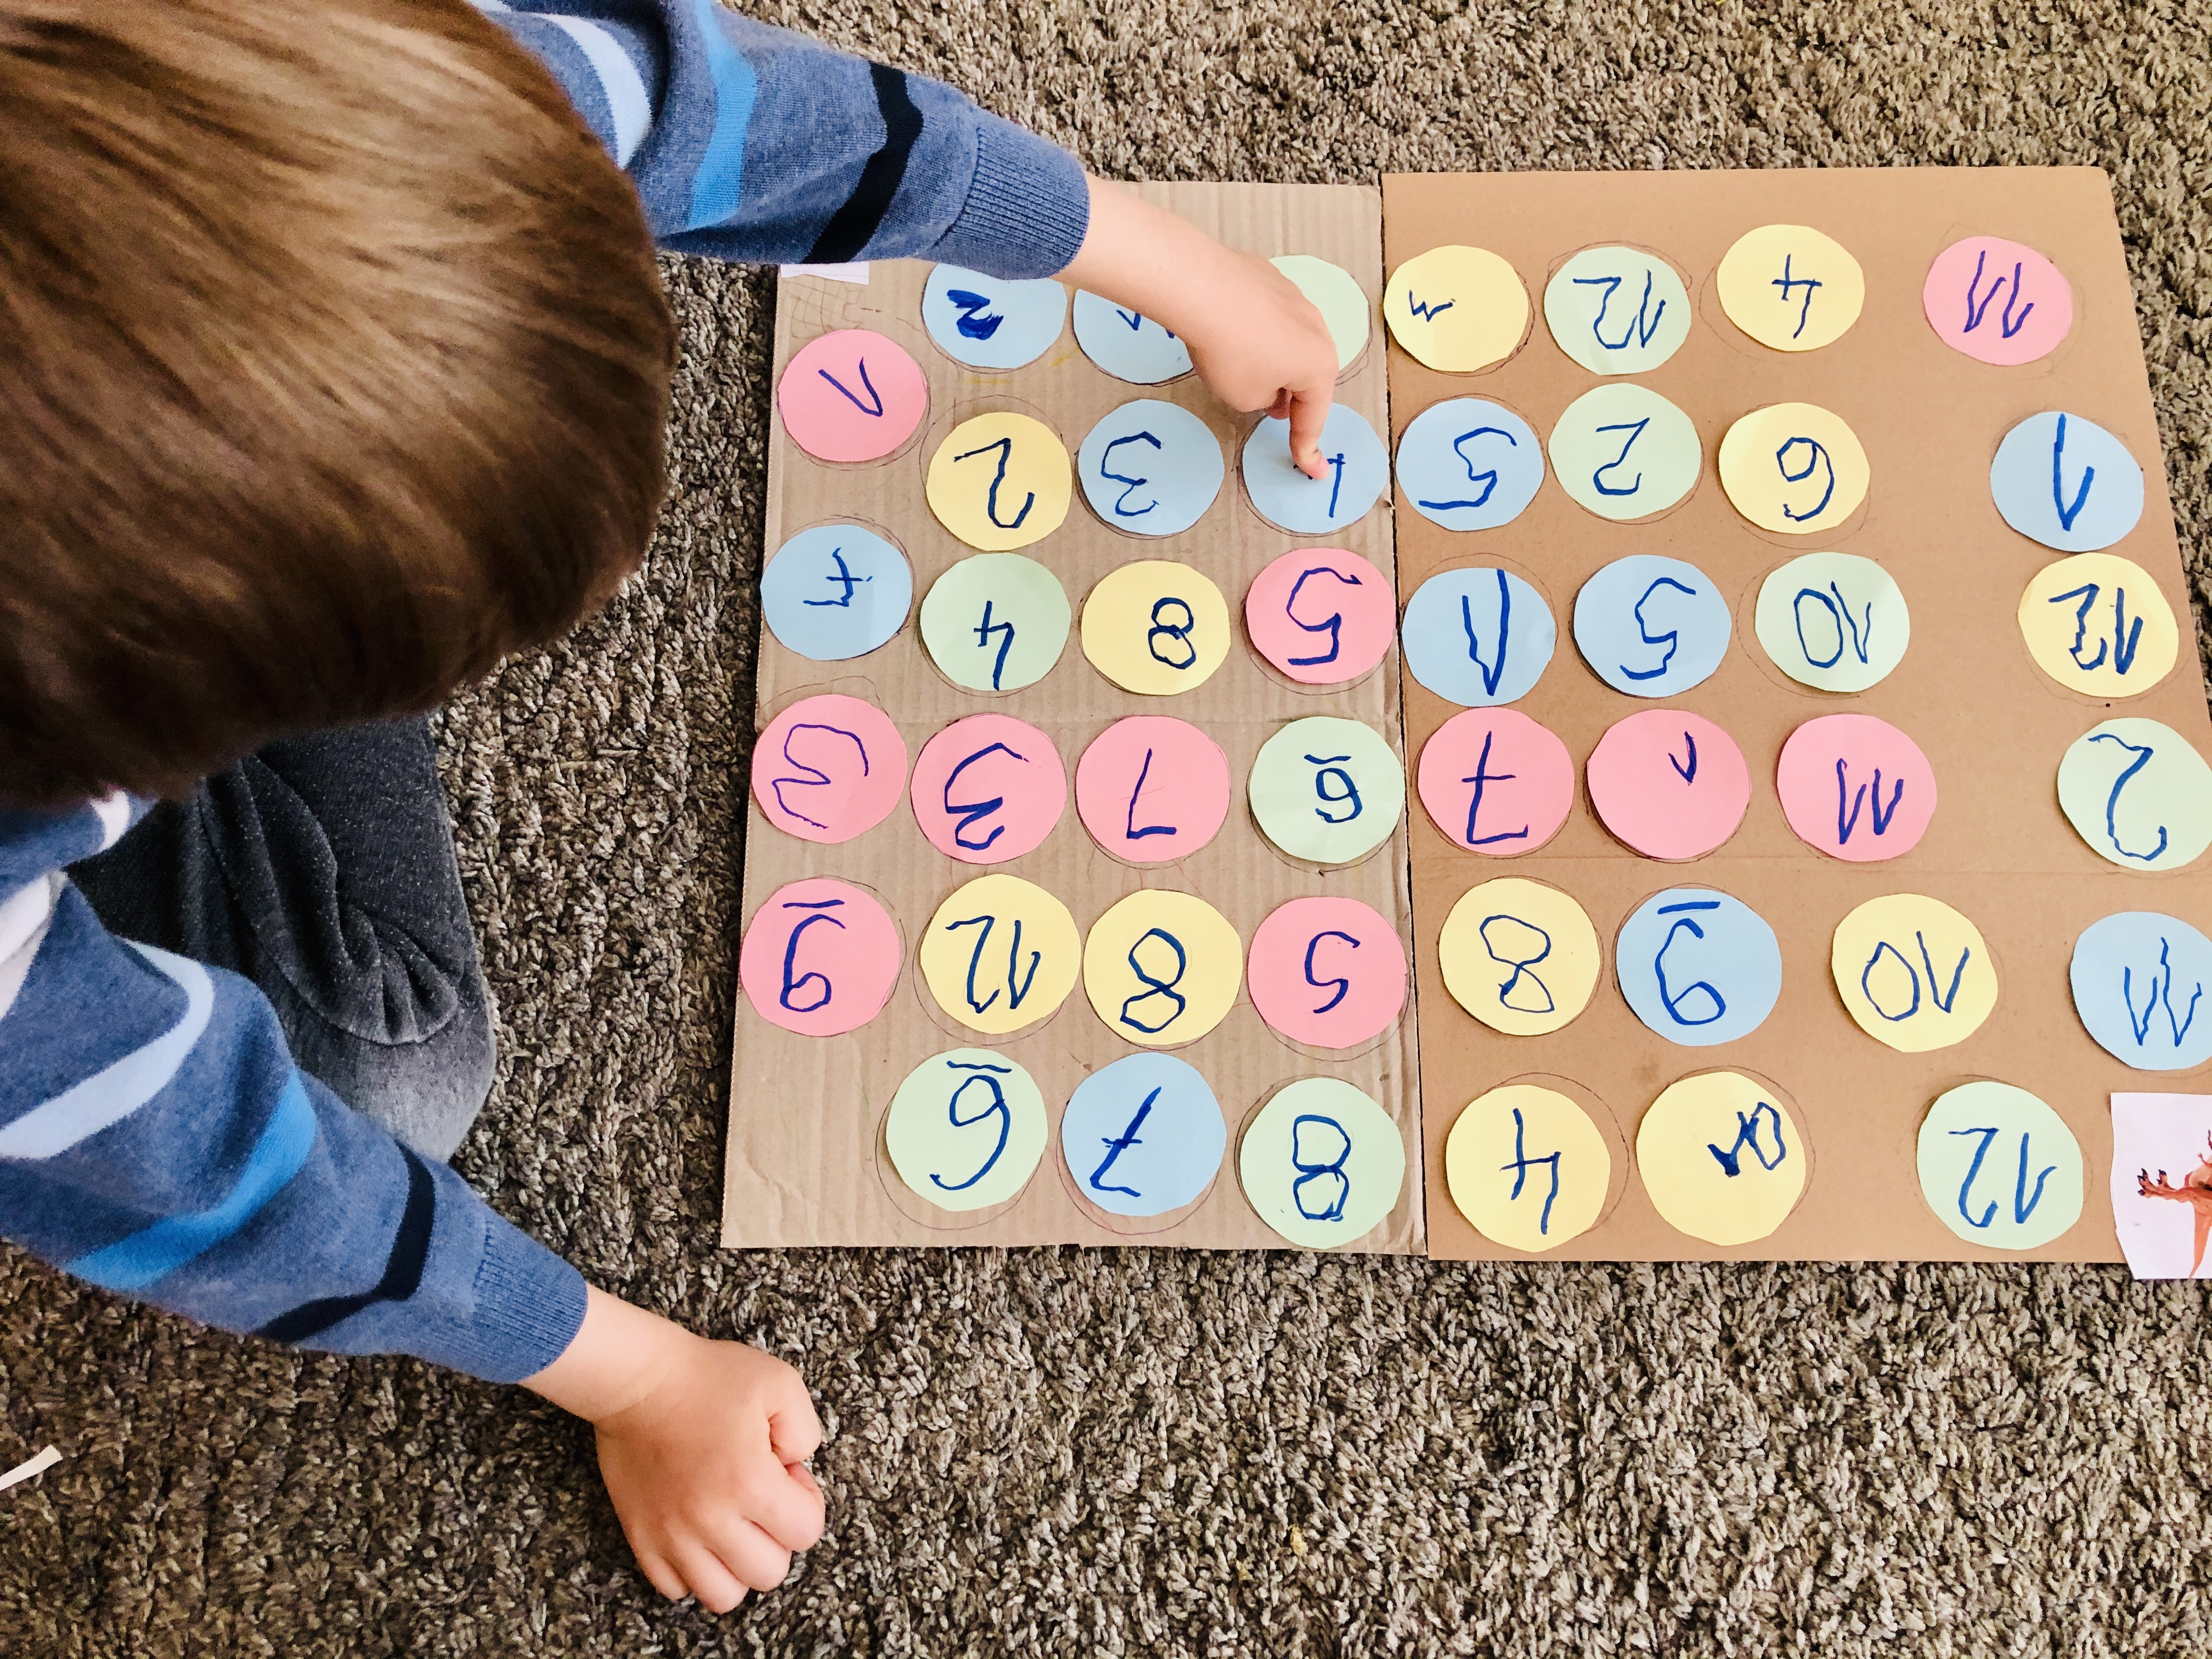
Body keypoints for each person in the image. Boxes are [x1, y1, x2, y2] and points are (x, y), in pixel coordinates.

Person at [0, 0, 1338, 1616]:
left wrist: (1171, 266)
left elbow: (726, 111)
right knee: (387, 1072)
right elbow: (197, 1172)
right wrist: (631, 1376)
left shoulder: (325, 85)